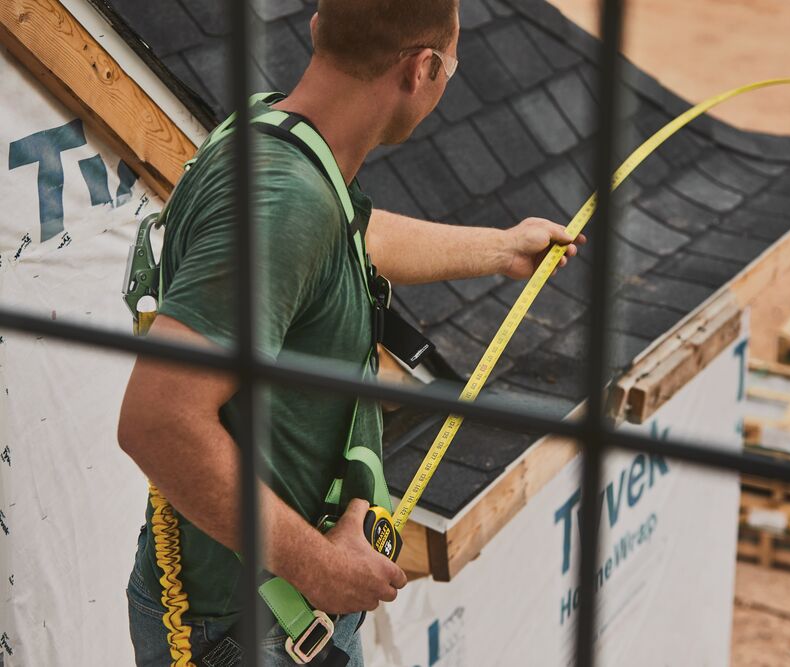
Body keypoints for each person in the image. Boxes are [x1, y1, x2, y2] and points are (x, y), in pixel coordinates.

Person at [117, 1, 584, 665]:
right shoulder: (284, 204)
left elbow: (347, 235)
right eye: (451, 66)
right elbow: (157, 421)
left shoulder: (275, 132)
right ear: (422, 69)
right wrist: (321, 569)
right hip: (255, 627)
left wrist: (501, 247)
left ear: (316, 27)